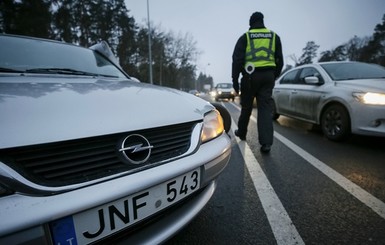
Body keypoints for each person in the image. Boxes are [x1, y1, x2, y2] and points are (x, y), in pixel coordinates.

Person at [232, 11, 283, 153]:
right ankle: (266, 143)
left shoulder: (245, 37)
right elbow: (280, 60)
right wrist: (274, 75)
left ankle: (242, 133)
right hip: (268, 76)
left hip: (250, 77)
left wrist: (235, 81)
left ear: (251, 23)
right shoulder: (274, 37)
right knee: (265, 109)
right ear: (262, 21)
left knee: (247, 107)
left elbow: (237, 60)